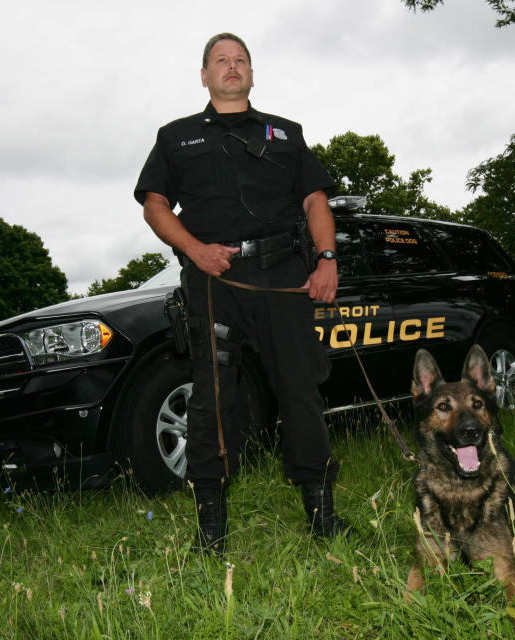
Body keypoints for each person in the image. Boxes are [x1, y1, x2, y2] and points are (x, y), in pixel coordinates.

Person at [134, 32, 348, 554]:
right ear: (204, 76)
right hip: (215, 281)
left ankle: (321, 513)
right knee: (212, 400)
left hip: (282, 278)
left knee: (300, 390)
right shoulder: (175, 137)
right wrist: (194, 250)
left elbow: (316, 201)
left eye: (240, 60)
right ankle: (211, 526)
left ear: (252, 74)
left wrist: (326, 261)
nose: (231, 67)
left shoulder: (286, 134)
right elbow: (155, 205)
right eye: (220, 61)